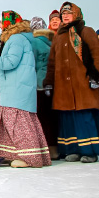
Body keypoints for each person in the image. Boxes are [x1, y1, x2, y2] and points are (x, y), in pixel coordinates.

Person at [0, 11, 51, 168]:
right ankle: (13, 154)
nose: (0, 25)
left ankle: (31, 158)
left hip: (16, 90)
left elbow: (9, 63)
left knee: (19, 125)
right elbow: (5, 67)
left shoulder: (16, 39)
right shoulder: (19, 39)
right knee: (13, 125)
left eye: (2, 22)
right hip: (15, 88)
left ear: (9, 24)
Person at [44, 2, 99, 163]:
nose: (65, 16)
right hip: (63, 87)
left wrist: (96, 77)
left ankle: (90, 151)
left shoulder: (86, 31)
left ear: (77, 14)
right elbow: (52, 62)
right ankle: (73, 150)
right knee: (68, 119)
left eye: (68, 13)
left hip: (83, 84)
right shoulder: (59, 35)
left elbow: (97, 56)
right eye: (63, 14)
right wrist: (49, 82)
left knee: (84, 117)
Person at [28, 17, 59, 159]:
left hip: (38, 85)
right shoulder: (51, 42)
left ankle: (43, 149)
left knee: (40, 118)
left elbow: (31, 64)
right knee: (51, 118)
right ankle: (54, 148)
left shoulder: (34, 43)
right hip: (52, 84)